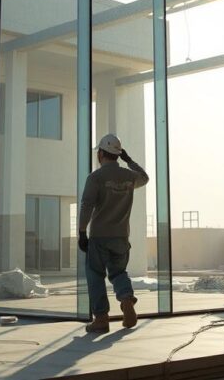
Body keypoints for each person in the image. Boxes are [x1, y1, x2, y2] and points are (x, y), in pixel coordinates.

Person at [78, 134, 149, 333]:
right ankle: (126, 299)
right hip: (121, 236)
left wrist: (82, 232)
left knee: (95, 275)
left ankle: (101, 318)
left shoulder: (95, 178)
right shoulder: (129, 176)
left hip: (100, 236)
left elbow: (87, 206)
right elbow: (145, 178)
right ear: (118, 155)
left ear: (100, 154)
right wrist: (129, 161)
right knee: (118, 272)